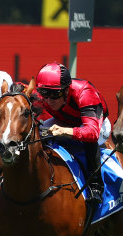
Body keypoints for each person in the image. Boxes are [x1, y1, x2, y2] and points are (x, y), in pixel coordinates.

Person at [35, 62, 111, 203]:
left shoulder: (85, 92)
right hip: (67, 121)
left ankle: (96, 187)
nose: (49, 100)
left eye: (55, 94)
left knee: (89, 142)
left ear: (66, 90)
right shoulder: (41, 95)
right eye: (45, 94)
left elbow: (92, 132)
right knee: (38, 132)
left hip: (96, 125)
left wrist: (65, 131)